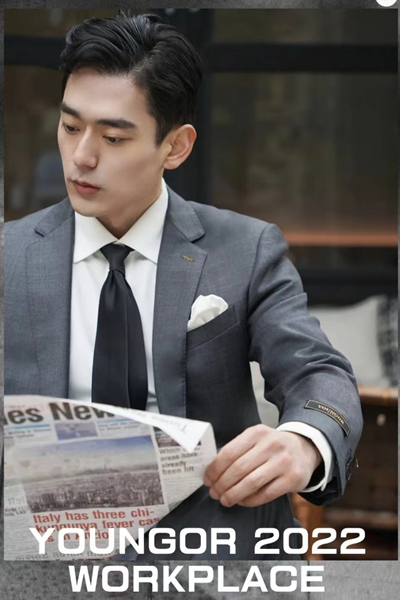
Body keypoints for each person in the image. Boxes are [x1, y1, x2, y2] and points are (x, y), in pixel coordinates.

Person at [4, 12, 362, 560]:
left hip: (215, 548)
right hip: (49, 553)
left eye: (113, 137)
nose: (81, 157)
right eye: (71, 127)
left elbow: (317, 371)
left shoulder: (245, 249)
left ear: (175, 147)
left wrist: (303, 441)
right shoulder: (10, 256)